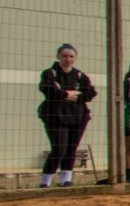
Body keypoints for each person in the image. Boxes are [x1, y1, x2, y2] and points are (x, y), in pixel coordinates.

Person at [37, 44, 96, 188]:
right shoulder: (50, 73)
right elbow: (50, 91)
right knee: (59, 148)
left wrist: (66, 94)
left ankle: (66, 179)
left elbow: (90, 93)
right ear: (58, 56)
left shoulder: (80, 75)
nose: (68, 59)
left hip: (78, 117)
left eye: (71, 56)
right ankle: (45, 181)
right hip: (55, 117)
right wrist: (68, 93)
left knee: (71, 148)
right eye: (64, 56)